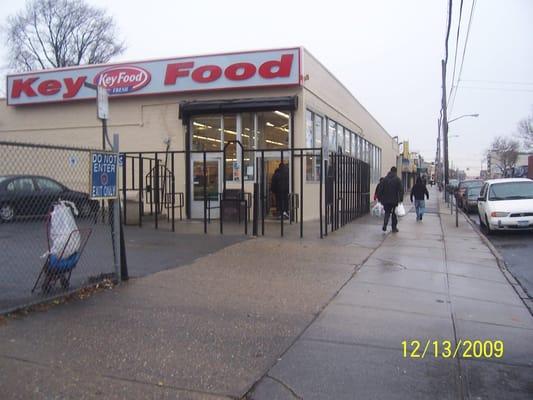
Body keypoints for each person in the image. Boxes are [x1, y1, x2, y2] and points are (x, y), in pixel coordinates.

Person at [377, 166, 404, 232]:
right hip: (394, 200)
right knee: (394, 214)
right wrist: (400, 199)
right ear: (395, 171)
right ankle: (394, 228)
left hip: (385, 200)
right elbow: (401, 190)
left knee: (387, 212)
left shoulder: (385, 179)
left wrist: (379, 198)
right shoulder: (397, 179)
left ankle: (385, 225)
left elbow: (380, 189)